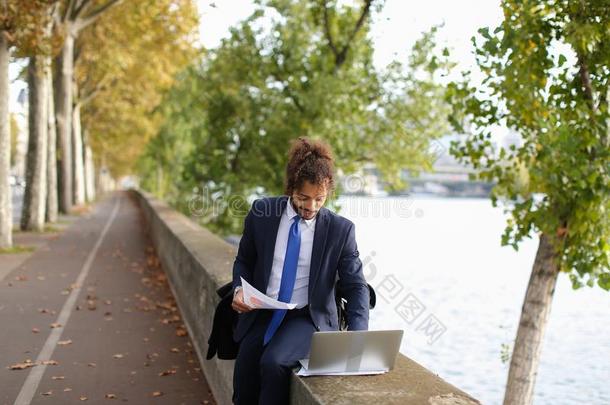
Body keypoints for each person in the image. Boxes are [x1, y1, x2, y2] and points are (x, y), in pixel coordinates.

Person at [230, 137, 370, 405]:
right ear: (291, 187)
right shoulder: (262, 212)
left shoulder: (341, 230)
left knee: (274, 363)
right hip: (262, 311)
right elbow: (244, 260)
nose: (311, 207)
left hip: (308, 317)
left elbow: (356, 286)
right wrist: (238, 288)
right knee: (246, 371)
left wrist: (357, 336)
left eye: (320, 199)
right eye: (304, 198)